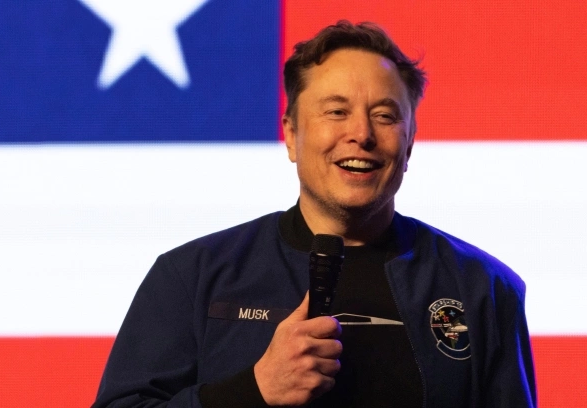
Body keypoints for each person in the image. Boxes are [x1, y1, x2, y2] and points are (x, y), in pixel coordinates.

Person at [92, 21, 537, 407]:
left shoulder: (483, 288)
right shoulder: (191, 276)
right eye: (336, 111)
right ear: (291, 134)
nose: (361, 134)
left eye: (385, 116)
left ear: (409, 144)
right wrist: (254, 390)